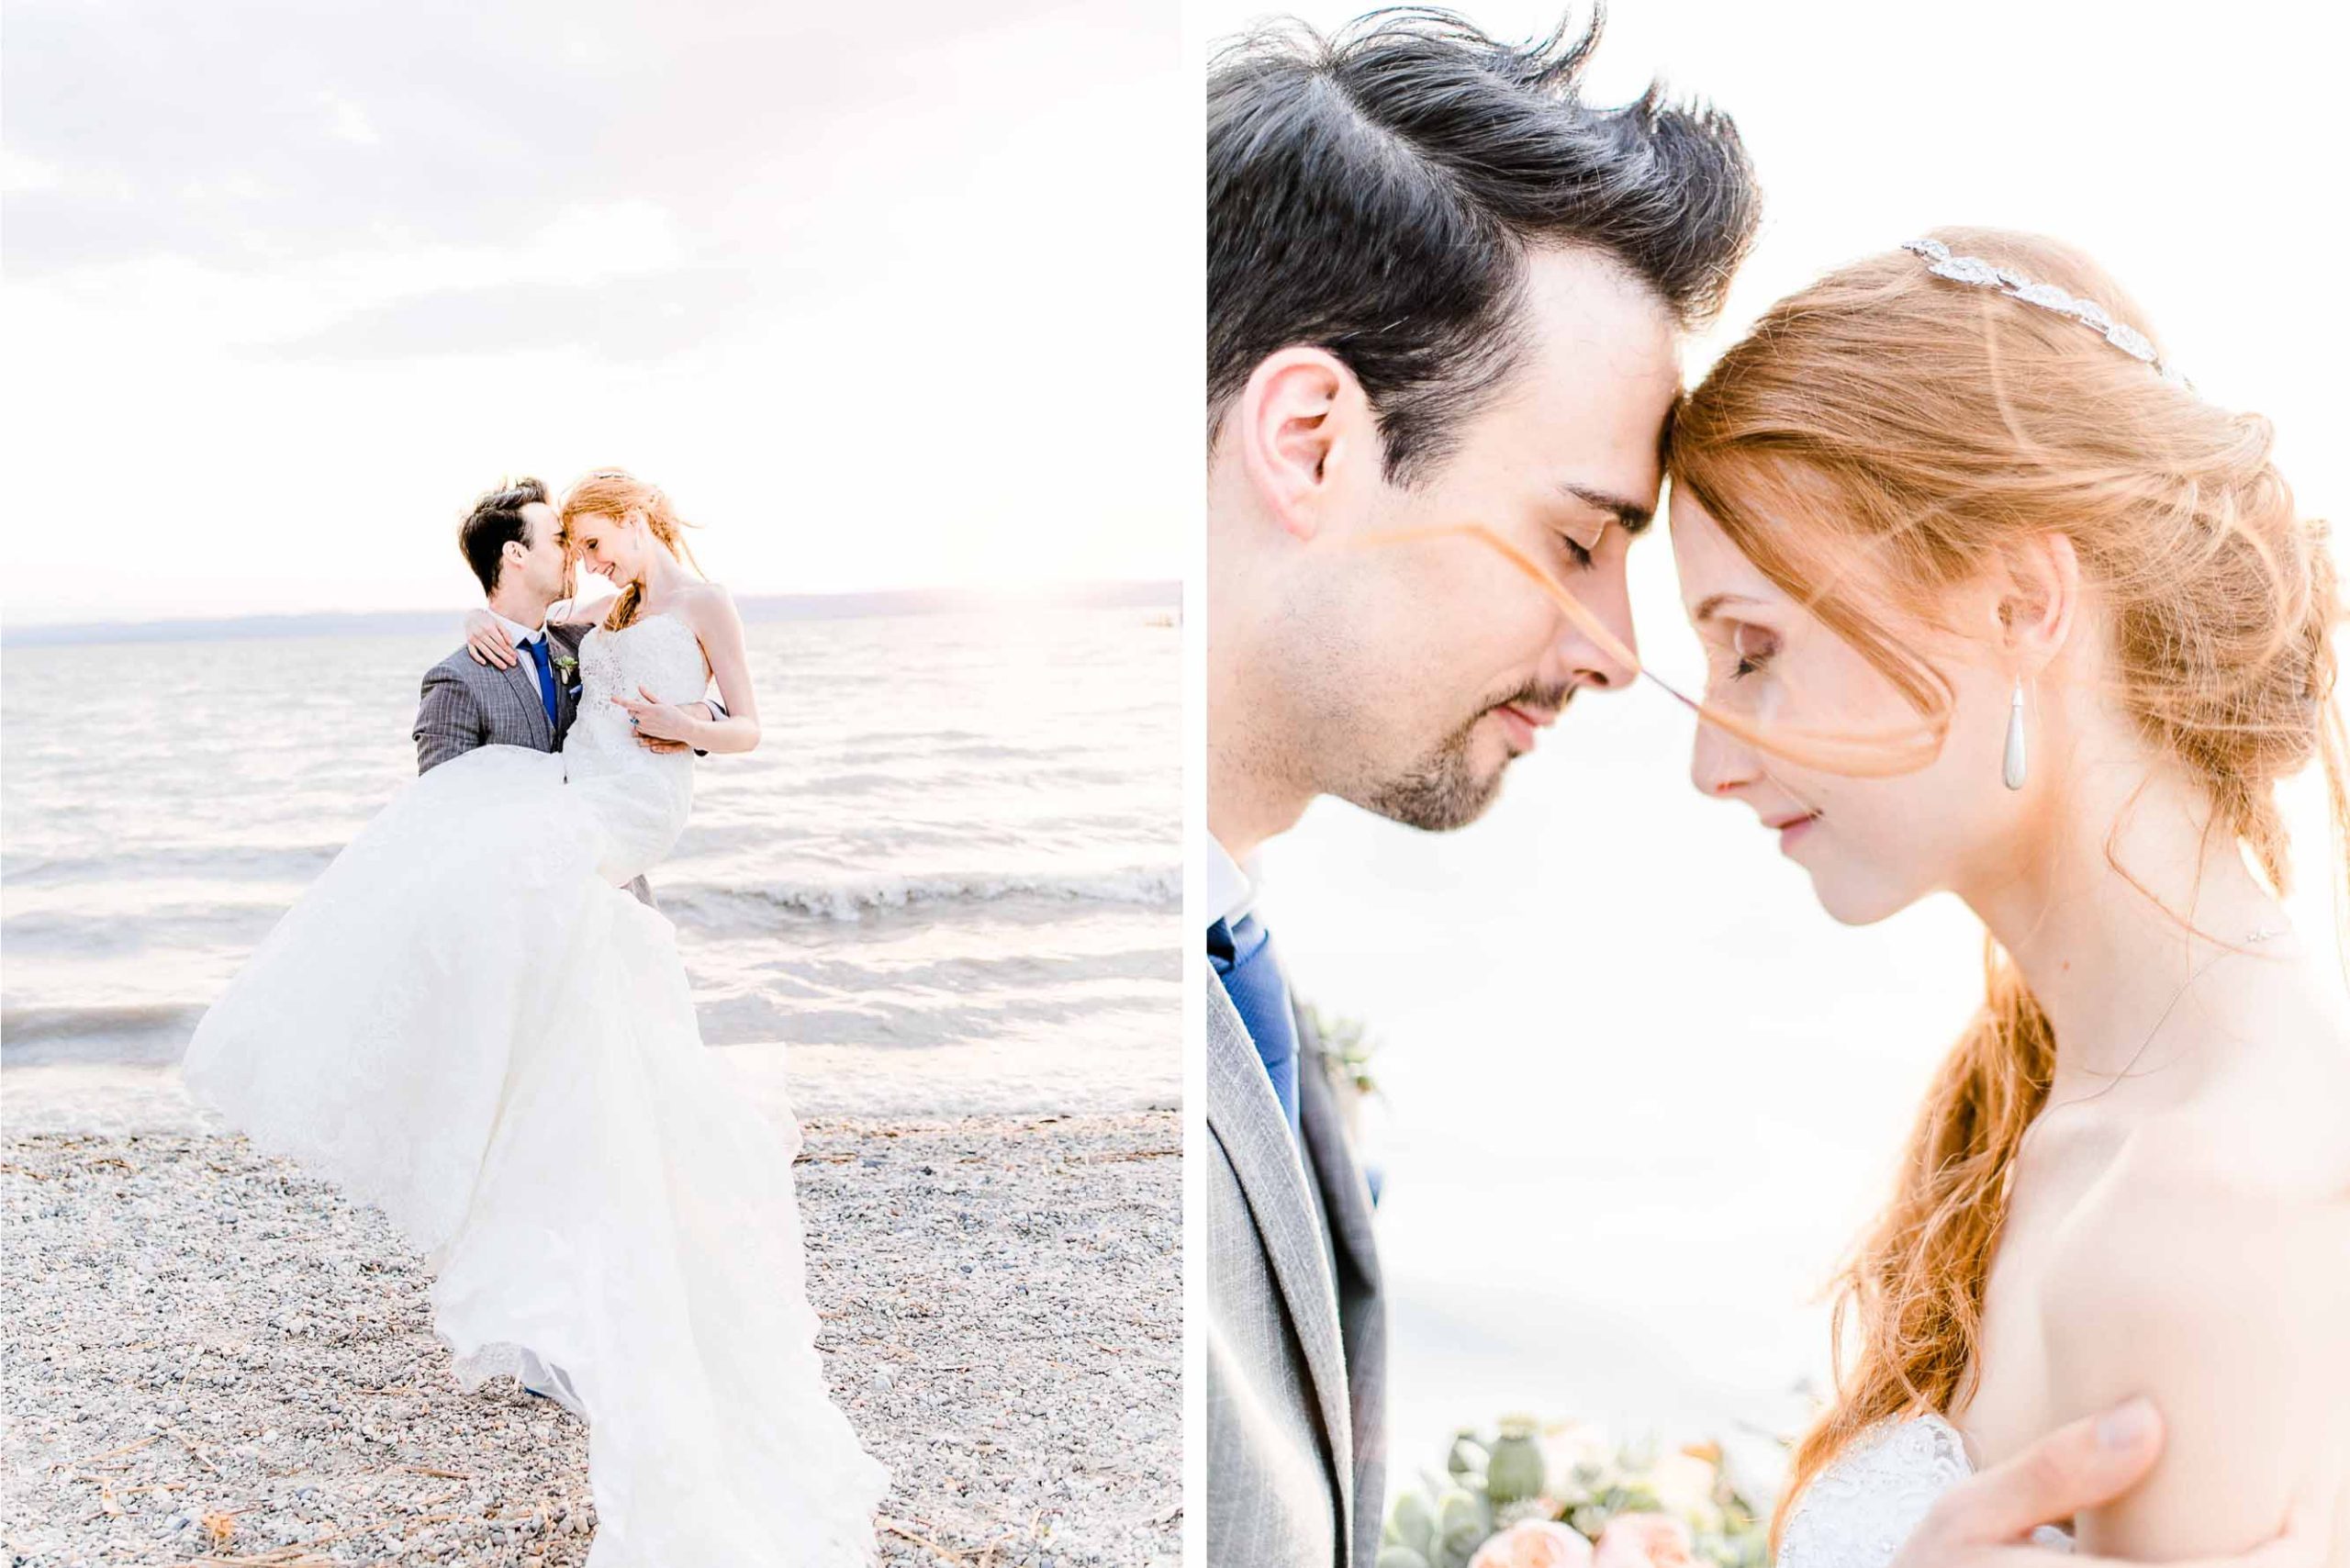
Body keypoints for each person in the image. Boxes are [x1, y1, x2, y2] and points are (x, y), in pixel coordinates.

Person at [1667, 230, 2347, 1562]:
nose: (1712, 760)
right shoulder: (2066, 1114)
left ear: (2024, 601)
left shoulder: (2206, 1217)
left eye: (1755, 650)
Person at [182, 469, 887, 1565]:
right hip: (562, 874)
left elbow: (742, 722)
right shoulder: (536, 639)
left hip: (622, 833)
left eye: (597, 544)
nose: (587, 561)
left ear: (637, 523)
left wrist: (684, 725)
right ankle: (568, 1314)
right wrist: (479, 627)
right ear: (526, 558)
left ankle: (590, 1312)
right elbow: (442, 813)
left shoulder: (673, 607)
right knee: (585, 1101)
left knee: (609, 1082)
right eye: (570, 545)